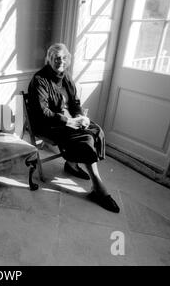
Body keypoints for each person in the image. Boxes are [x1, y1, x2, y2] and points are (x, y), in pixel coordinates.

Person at [28, 43, 120, 213]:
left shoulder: (66, 77)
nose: (60, 61)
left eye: (64, 58)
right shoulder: (39, 80)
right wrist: (67, 121)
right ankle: (99, 189)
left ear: (68, 60)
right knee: (84, 139)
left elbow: (75, 103)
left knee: (95, 130)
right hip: (48, 124)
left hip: (69, 120)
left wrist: (79, 116)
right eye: (56, 58)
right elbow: (42, 112)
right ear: (49, 59)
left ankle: (71, 164)